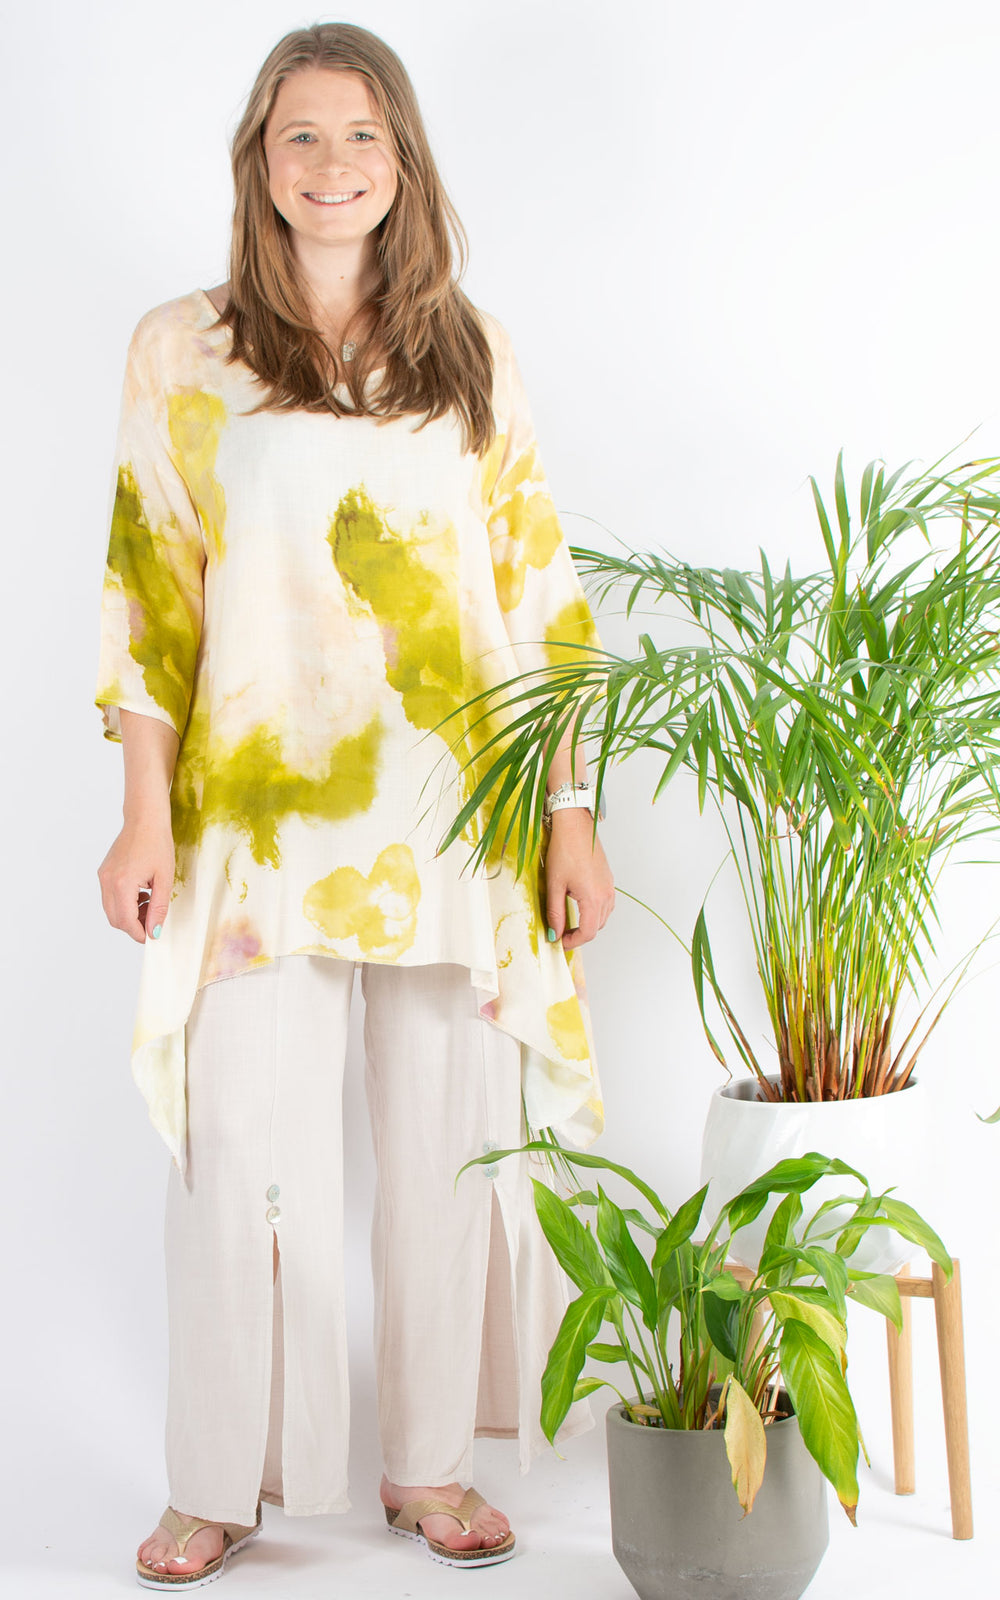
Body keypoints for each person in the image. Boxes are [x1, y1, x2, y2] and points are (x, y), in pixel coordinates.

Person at [94, 21, 614, 1589]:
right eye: (303, 135)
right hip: (255, 827)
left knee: (448, 1153)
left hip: (454, 819)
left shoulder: (473, 354)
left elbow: (540, 596)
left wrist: (570, 814)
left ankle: (431, 1466)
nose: (334, 164)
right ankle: (219, 1481)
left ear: (406, 161)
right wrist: (140, 812)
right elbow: (148, 599)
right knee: (238, 1158)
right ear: (261, 160)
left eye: (363, 135)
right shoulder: (184, 349)